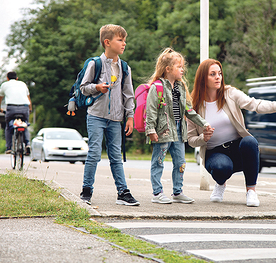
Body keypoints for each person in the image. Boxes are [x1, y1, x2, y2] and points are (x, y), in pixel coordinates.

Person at [187, 59, 276, 207]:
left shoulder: (230, 93)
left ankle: (251, 191)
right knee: (221, 168)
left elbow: (255, 104)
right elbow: (191, 139)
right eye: (213, 74)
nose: (218, 77)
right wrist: (203, 137)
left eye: (220, 73)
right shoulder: (194, 106)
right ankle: (220, 184)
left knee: (250, 141)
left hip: (237, 147)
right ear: (203, 78)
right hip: (215, 152)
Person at [79, 24, 139, 206]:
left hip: (116, 118)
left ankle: (123, 192)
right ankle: (86, 191)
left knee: (116, 156)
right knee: (94, 154)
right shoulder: (94, 63)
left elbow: (129, 94)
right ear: (107, 42)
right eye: (120, 40)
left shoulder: (125, 67)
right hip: (96, 115)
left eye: (124, 40)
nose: (124, 44)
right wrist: (96, 87)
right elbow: (83, 88)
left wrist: (130, 116)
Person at [145, 48, 212, 204]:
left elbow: (189, 111)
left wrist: (204, 123)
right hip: (162, 130)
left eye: (183, 67)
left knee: (180, 163)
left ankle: (177, 192)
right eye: (179, 67)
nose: (183, 70)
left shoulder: (180, 88)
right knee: (158, 162)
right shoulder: (157, 87)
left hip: (179, 131)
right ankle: (157, 193)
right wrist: (150, 130)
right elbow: (151, 111)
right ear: (168, 69)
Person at [0, 71, 32, 155]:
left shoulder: (5, 85)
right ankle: (27, 144)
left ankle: (9, 147)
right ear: (17, 78)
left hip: (11, 108)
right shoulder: (23, 84)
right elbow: (28, 98)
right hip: (24, 107)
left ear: (7, 78)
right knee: (25, 125)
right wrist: (29, 109)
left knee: (8, 126)